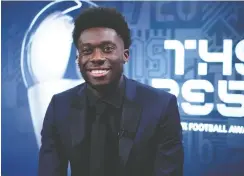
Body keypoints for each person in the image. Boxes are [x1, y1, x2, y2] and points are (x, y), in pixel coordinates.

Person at [38, 7, 184, 176]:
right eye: (87, 51)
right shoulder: (60, 106)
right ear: (78, 58)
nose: (97, 58)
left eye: (107, 49)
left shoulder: (161, 106)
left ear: (125, 55)